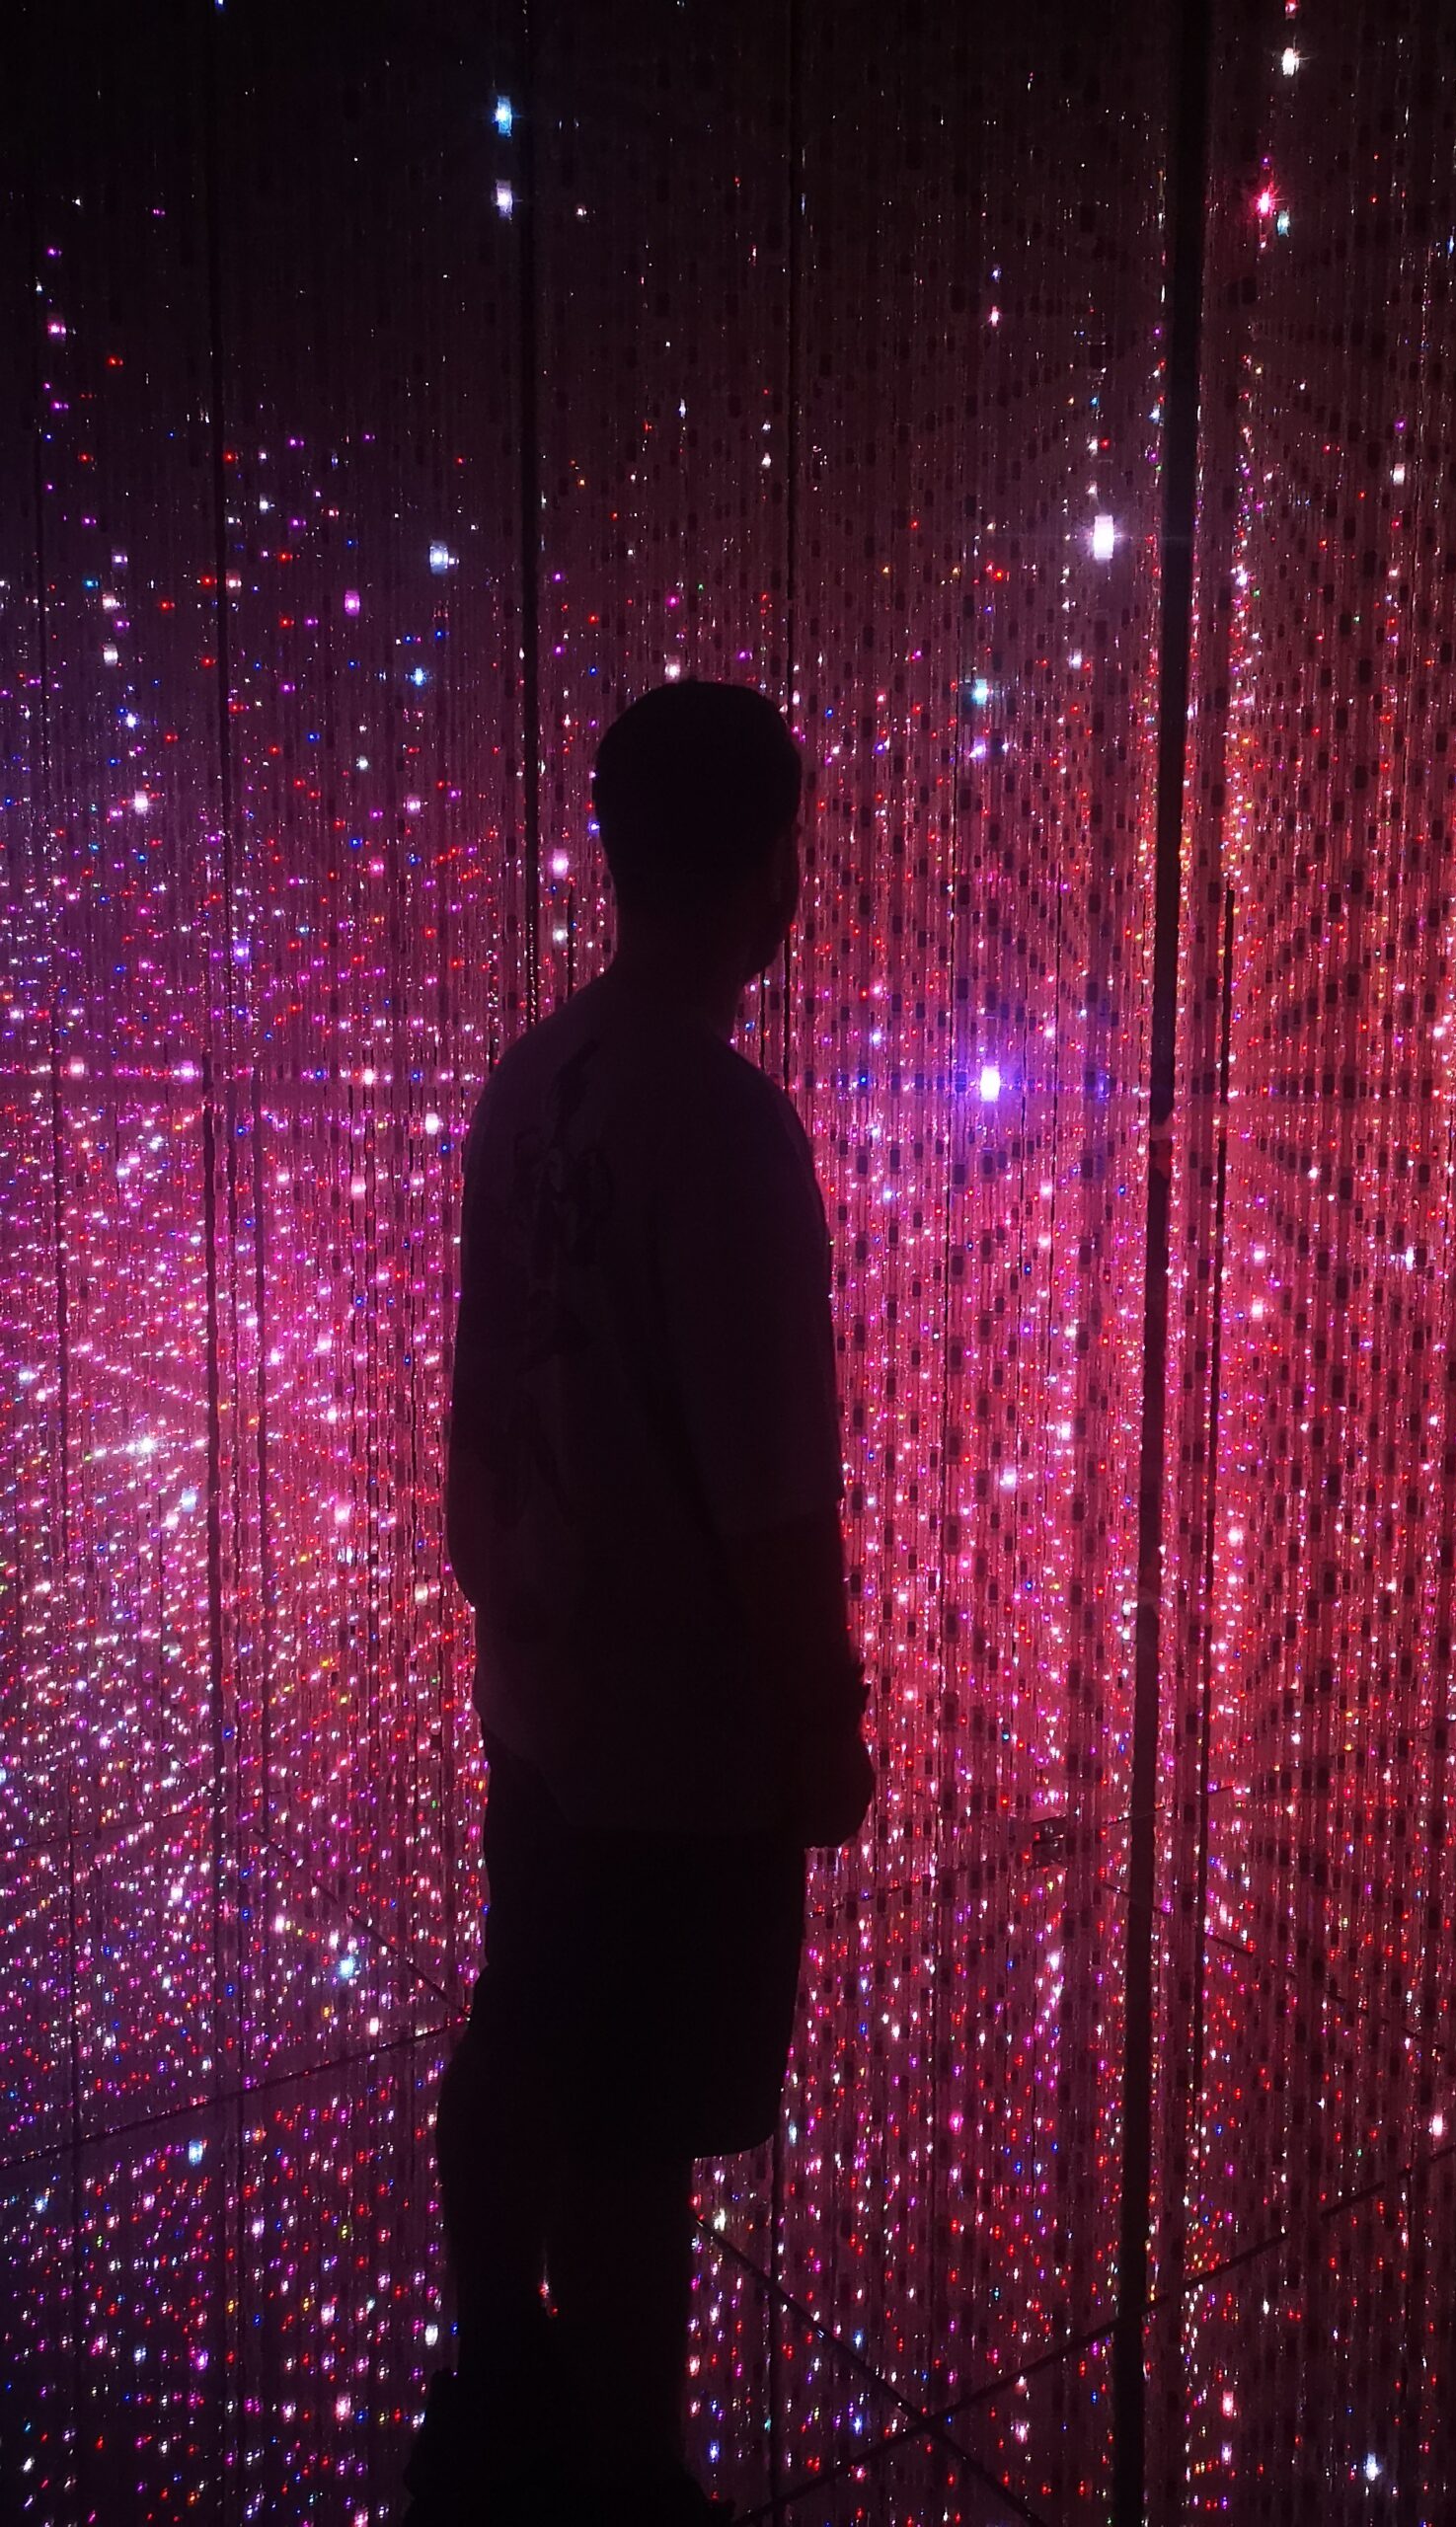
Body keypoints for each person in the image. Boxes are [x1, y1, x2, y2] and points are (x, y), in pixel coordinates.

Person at [403, 679, 876, 2526]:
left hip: (550, 1695)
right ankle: (621, 2473)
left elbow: (476, 1390)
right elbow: (773, 1496)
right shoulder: (726, 1131)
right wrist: (817, 1733)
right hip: (677, 1741)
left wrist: (512, 1611)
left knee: (527, 2025)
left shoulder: (539, 1082)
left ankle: (498, 2375)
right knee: (638, 2131)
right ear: (771, 864)